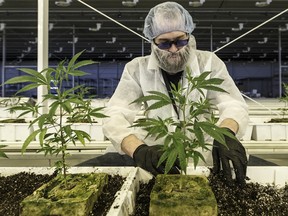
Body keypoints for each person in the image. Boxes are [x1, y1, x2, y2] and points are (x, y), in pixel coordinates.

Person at [79, 1, 249, 186]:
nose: (174, 49)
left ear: (189, 35)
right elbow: (115, 113)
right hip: (156, 158)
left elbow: (233, 104)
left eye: (180, 40)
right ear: (152, 41)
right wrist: (139, 150)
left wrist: (226, 134)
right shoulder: (137, 69)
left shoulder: (209, 63)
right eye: (165, 43)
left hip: (203, 154)